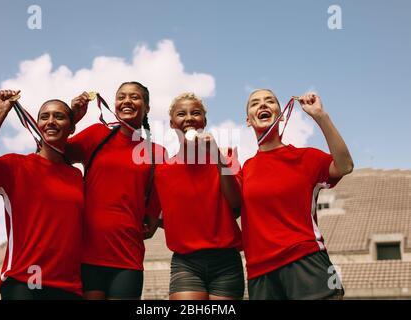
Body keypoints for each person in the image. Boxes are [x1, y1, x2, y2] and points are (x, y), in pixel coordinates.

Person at [0, 90, 84, 300]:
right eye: (44, 116)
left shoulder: (76, 176)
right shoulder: (17, 166)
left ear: (72, 126)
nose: (50, 121)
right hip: (24, 282)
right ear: (37, 124)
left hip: (70, 286)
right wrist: (0, 112)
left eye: (59, 116)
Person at [241, 89, 354, 300]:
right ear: (248, 120)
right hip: (259, 273)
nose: (263, 105)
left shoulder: (306, 158)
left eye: (270, 101)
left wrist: (320, 116)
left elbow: (345, 165)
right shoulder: (245, 169)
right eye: (255, 103)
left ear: (281, 113)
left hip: (307, 262)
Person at [67, 82, 165, 300]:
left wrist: (153, 220)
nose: (127, 101)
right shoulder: (96, 135)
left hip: (127, 254)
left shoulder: (157, 153)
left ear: (147, 107)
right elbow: (50, 151)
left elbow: (157, 206)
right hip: (86, 253)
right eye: (121, 97)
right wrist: (73, 117)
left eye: (134, 97)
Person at [152, 92, 244, 300]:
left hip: (226, 261)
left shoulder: (227, 156)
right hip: (186, 262)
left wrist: (218, 157)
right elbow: (158, 216)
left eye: (196, 113)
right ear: (172, 123)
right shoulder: (163, 171)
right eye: (181, 114)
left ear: (204, 120)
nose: (189, 118)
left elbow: (235, 202)